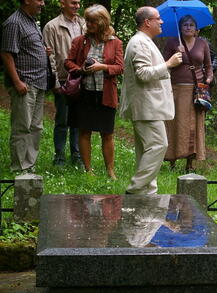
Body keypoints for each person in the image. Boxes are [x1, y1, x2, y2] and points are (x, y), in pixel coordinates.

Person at [120, 6, 182, 195]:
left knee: (146, 151)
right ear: (147, 22)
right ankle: (136, 189)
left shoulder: (145, 41)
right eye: (158, 18)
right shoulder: (139, 42)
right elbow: (143, 74)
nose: (161, 21)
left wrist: (168, 65)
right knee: (158, 145)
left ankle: (148, 192)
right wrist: (169, 64)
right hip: (146, 106)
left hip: (149, 106)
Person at [64, 4, 123, 179]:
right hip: (84, 93)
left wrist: (102, 66)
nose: (87, 24)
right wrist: (81, 69)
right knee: (84, 131)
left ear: (102, 22)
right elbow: (68, 63)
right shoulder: (79, 41)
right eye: (87, 20)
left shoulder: (115, 42)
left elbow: (120, 67)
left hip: (106, 94)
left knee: (107, 133)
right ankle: (88, 170)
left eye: (92, 21)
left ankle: (110, 171)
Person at [1, 0, 48, 172]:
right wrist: (17, 81)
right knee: (22, 126)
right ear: (27, 0)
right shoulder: (14, 22)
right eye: (39, 0)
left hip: (39, 82)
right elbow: (6, 54)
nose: (43, 3)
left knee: (36, 126)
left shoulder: (30, 21)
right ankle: (20, 167)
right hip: (25, 83)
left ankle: (30, 164)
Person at [163, 15, 213, 172]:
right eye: (185, 25)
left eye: (192, 25)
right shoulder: (172, 42)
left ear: (196, 29)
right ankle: (172, 160)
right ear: (180, 28)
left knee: (193, 125)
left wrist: (209, 79)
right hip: (176, 89)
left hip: (196, 91)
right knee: (175, 124)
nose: (188, 27)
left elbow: (208, 65)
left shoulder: (202, 43)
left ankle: (189, 163)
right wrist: (175, 56)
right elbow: (164, 65)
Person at [43, 0, 85, 167]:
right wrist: (54, 81)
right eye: (73, 3)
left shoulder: (83, 23)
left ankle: (77, 156)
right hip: (62, 78)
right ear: (62, 3)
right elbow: (49, 56)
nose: (77, 6)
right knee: (62, 119)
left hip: (82, 78)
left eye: (79, 3)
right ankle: (59, 157)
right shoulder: (52, 26)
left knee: (78, 119)